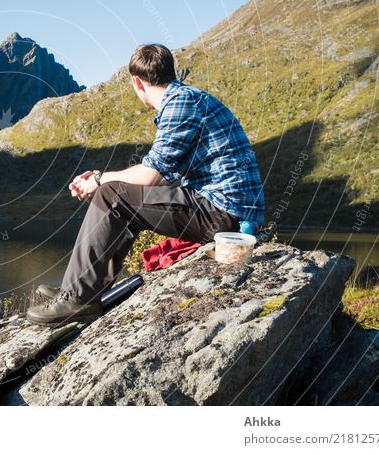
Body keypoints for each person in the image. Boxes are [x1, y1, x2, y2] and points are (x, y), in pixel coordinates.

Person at [26, 43, 265, 325]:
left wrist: (100, 179)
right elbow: (161, 173)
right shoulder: (188, 99)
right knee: (121, 196)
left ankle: (78, 298)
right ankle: (79, 287)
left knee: (112, 195)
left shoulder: (180, 105)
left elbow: (150, 175)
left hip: (223, 215)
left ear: (137, 82)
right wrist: (103, 179)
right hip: (225, 210)